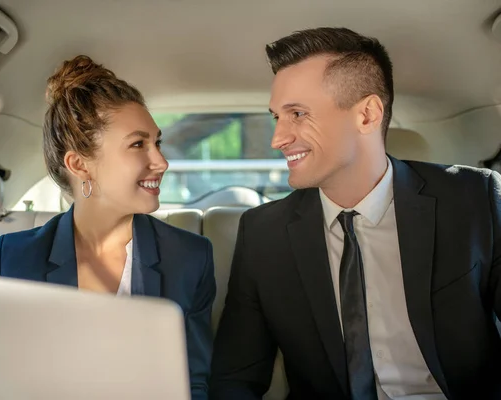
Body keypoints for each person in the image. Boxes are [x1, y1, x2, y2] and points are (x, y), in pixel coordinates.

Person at [209, 27, 501, 399]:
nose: (278, 138)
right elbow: (235, 379)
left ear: (366, 115)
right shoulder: (263, 234)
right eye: (276, 117)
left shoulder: (474, 200)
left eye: (297, 113)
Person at [0, 55, 216, 399]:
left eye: (158, 142)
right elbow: (1, 379)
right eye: (138, 144)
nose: (162, 161)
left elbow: (193, 383)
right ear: (80, 164)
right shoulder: (17, 258)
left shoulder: (190, 257)